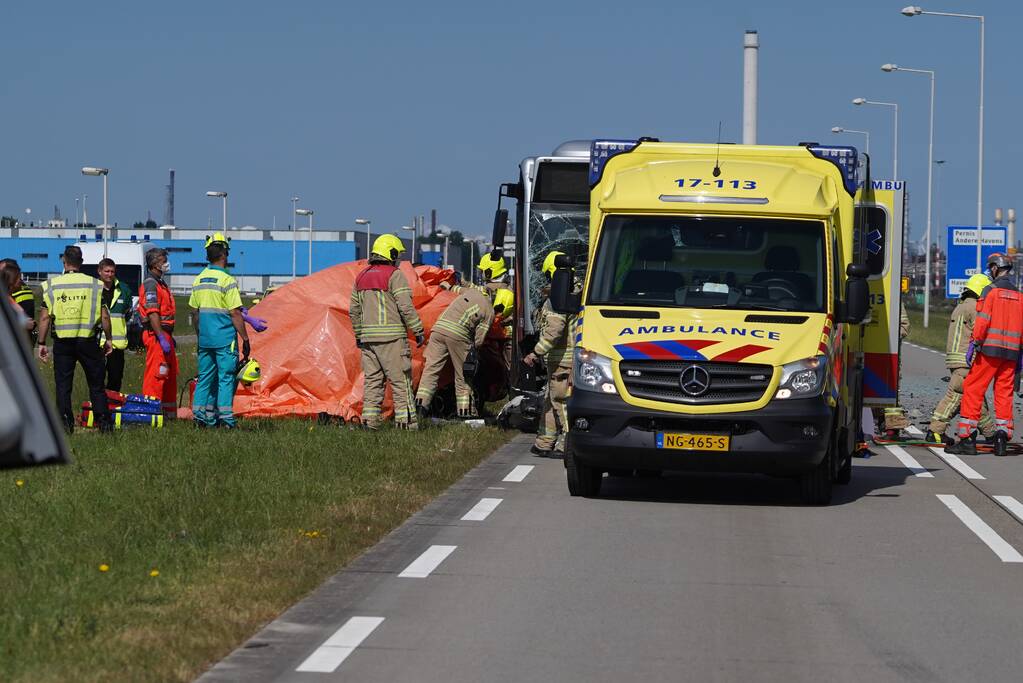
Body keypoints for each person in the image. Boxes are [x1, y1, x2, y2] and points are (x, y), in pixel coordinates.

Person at [949, 253, 1023, 456]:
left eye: (990, 268)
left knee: (973, 388)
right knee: (1004, 392)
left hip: (989, 351)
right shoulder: (1019, 295)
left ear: (995, 268)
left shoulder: (990, 291)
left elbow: (982, 321)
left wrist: (975, 343)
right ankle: (1002, 438)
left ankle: (967, 438)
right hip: (1011, 354)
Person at [35, 245, 113, 433]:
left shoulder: (52, 285)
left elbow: (44, 317)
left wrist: (41, 343)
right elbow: (104, 316)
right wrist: (109, 339)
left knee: (63, 386)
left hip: (63, 343)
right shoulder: (95, 285)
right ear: (81, 262)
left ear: (64, 261)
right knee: (96, 384)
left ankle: (65, 425)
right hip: (88, 341)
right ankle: (104, 424)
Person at [351, 234, 425, 430]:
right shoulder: (394, 275)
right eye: (397, 255)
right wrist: (418, 329)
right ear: (390, 253)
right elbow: (405, 307)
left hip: (368, 340)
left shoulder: (361, 276)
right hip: (392, 339)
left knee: (372, 383)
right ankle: (406, 423)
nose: (398, 260)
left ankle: (369, 422)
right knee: (401, 381)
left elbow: (354, 311)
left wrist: (359, 335)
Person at [189, 233, 255, 428]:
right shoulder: (227, 280)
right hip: (225, 339)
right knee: (226, 378)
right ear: (224, 254)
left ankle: (200, 416)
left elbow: (194, 312)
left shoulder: (199, 279)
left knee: (205, 378)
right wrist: (245, 338)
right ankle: (226, 419)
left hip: (205, 339)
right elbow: (235, 313)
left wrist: (200, 335)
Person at [416, 287, 513, 418]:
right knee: (464, 376)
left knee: (431, 371)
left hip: (438, 330)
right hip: (458, 335)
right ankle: (465, 413)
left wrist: (447, 286)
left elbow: (458, 289)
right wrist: (473, 354)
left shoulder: (473, 292)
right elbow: (478, 341)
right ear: (501, 307)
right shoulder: (489, 311)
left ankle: (420, 408)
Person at [927, 273, 996, 445]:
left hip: (956, 358)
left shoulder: (961, 306)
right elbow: (980, 333)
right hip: (967, 360)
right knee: (956, 396)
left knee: (974, 396)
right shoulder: (976, 308)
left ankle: (990, 433)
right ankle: (935, 431)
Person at [523, 250, 576, 457]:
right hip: (568, 358)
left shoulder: (559, 295)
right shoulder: (578, 290)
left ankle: (567, 444)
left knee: (561, 401)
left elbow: (554, 330)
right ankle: (544, 442)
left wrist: (535, 352)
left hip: (563, 359)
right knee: (550, 400)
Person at [138, 247, 178, 420]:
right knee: (157, 375)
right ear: (155, 264)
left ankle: (168, 415)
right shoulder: (151, 284)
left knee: (169, 375)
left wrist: (168, 337)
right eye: (163, 261)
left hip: (164, 334)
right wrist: (161, 336)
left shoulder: (160, 283)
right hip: (156, 335)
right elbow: (153, 313)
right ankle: (150, 414)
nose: (166, 264)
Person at [96, 258, 133, 392]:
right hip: (97, 342)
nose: (110, 274)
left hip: (117, 344)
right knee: (97, 378)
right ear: (99, 271)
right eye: (106, 271)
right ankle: (98, 403)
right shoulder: (93, 289)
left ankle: (112, 403)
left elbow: (128, 313)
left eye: (112, 271)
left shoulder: (124, 289)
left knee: (116, 378)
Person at [1, 258, 37, 344]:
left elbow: (22, 314)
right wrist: (22, 323)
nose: (20, 280)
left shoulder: (10, 295)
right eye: (18, 277)